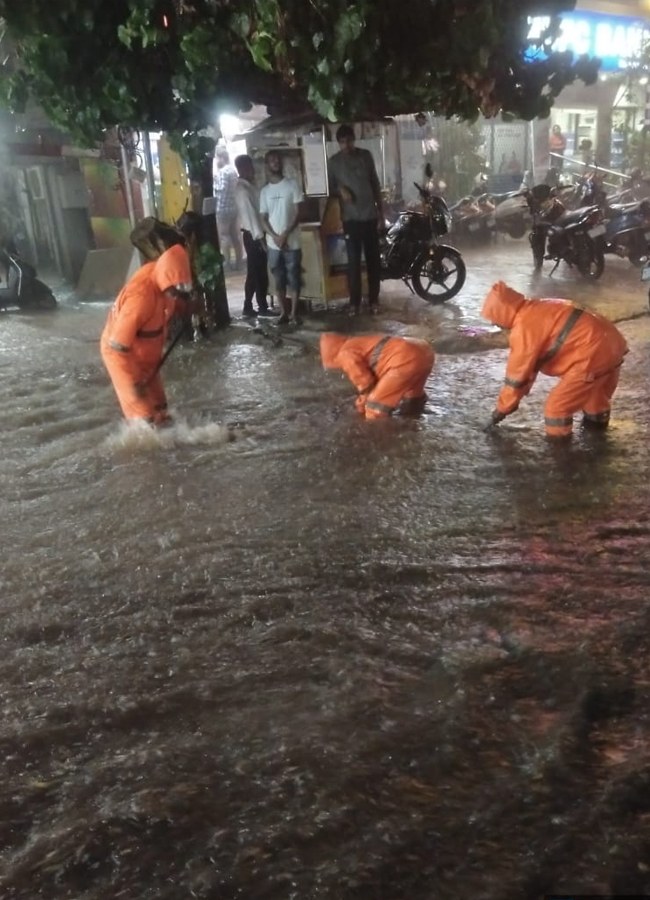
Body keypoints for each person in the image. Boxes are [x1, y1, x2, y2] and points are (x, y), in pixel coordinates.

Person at [482, 281, 628, 439]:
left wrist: (501, 410)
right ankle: (598, 444)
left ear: (501, 313)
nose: (496, 324)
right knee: (595, 397)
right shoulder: (541, 305)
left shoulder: (524, 328)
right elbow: (530, 369)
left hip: (592, 355)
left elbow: (518, 377)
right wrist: (511, 402)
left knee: (556, 409)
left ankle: (560, 453)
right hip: (614, 344)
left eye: (495, 320)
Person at [101, 243, 201, 425]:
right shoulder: (140, 298)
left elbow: (168, 302)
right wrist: (133, 383)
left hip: (146, 354)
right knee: (144, 420)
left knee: (161, 409)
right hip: (122, 356)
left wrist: (187, 307)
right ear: (167, 282)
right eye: (175, 292)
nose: (176, 295)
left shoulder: (165, 282)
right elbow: (117, 347)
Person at [327, 124, 384, 315]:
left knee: (373, 261)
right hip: (350, 219)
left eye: (350, 141)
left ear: (354, 139)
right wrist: (339, 190)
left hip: (370, 216)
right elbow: (329, 188)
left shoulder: (365, 156)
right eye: (343, 142)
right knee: (353, 263)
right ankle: (354, 303)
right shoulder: (333, 162)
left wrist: (381, 214)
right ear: (338, 143)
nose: (347, 145)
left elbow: (375, 184)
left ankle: (374, 301)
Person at [320, 332, 435, 420]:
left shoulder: (343, 354)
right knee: (412, 394)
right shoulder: (358, 342)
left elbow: (365, 382)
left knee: (375, 407)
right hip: (424, 350)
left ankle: (378, 438)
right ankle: (414, 418)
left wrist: (362, 405)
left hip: (405, 357)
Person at [259, 150, 304, 325]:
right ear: (267, 165)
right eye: (271, 161)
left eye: (277, 160)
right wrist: (275, 236)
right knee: (278, 280)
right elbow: (263, 218)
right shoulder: (264, 191)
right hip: (273, 244)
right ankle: (283, 312)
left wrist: (285, 234)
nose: (275, 163)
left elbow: (299, 212)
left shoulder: (292, 185)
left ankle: (294, 313)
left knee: (294, 277)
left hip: (292, 242)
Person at [234, 154, 273, 318]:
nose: (253, 170)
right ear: (242, 169)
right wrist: (261, 240)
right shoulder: (242, 190)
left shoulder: (250, 186)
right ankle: (262, 307)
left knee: (252, 273)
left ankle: (247, 306)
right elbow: (251, 218)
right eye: (250, 167)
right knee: (259, 274)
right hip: (253, 235)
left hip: (254, 234)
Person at [214, 148, 243, 271]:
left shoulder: (223, 172)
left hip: (222, 208)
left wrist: (214, 182)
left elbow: (221, 189)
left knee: (224, 236)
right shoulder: (233, 171)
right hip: (234, 207)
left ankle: (227, 264)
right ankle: (239, 262)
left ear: (222, 158)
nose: (216, 162)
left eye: (217, 158)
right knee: (235, 236)